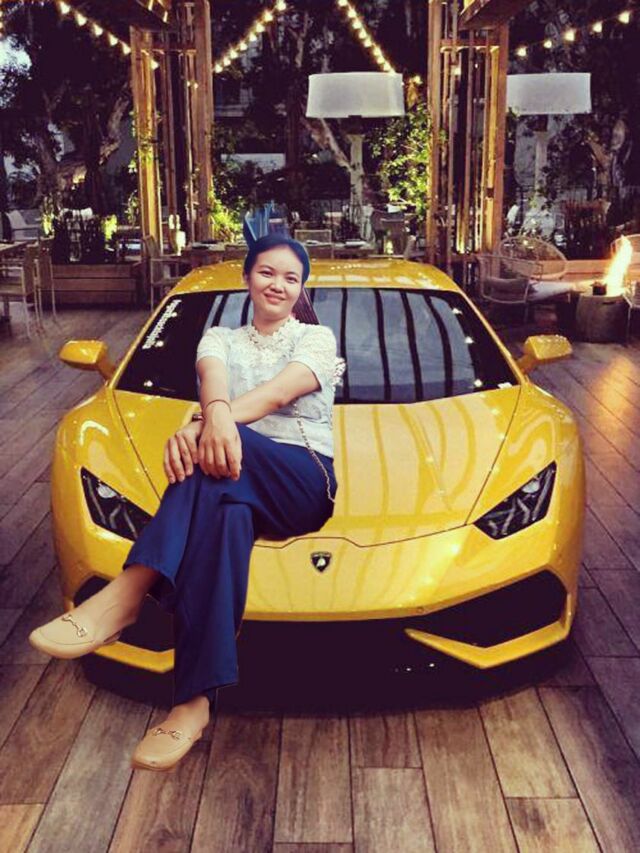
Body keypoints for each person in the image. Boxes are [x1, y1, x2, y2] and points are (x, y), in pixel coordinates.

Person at [28, 218, 345, 771]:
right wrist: (211, 417)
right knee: (225, 520)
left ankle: (129, 593)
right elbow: (212, 380)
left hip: (300, 478)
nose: (277, 284)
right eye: (266, 272)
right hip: (229, 477)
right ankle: (193, 704)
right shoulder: (219, 337)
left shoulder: (315, 338)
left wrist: (202, 426)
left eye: (291, 278)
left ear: (301, 289)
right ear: (247, 277)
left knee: (217, 457)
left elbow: (276, 395)